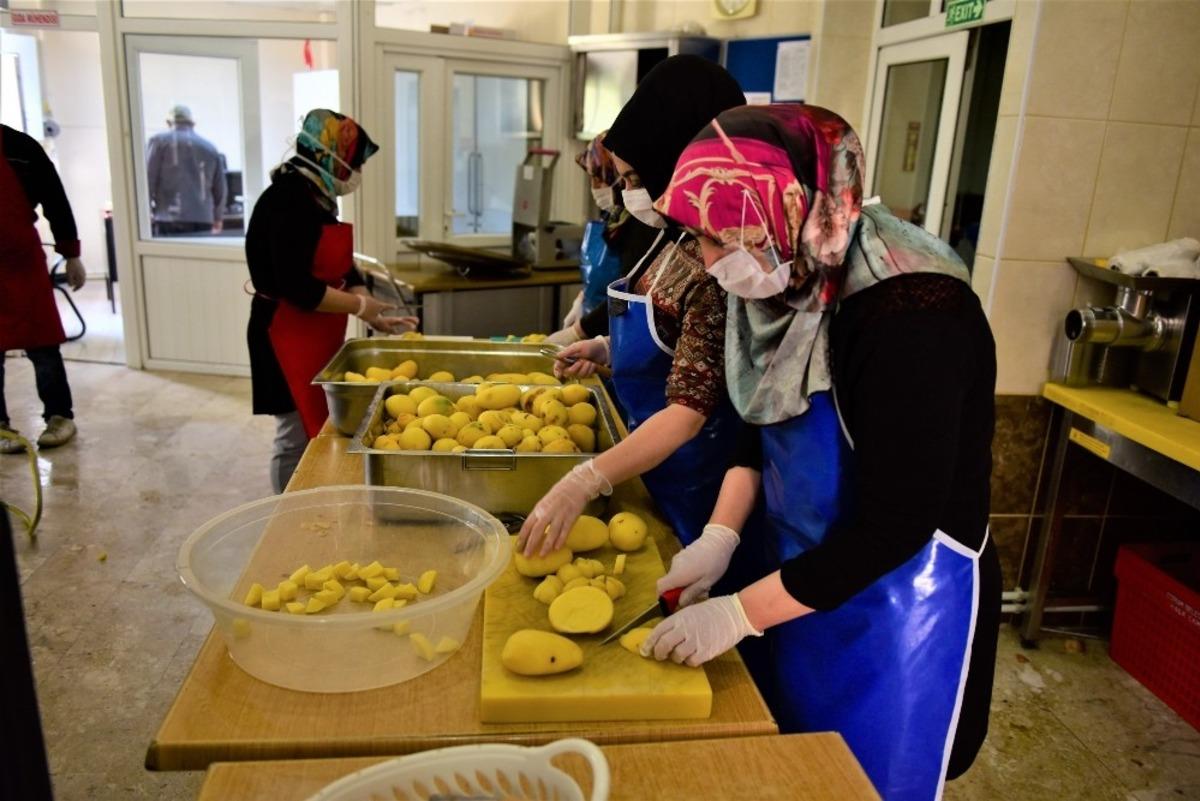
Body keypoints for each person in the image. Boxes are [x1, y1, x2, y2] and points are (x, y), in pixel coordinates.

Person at [637, 104, 1001, 801]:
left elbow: (899, 521)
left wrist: (739, 613)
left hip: (898, 605)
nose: (711, 263)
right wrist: (719, 535)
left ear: (796, 207)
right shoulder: (784, 266)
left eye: (722, 238)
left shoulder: (913, 312)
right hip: (807, 584)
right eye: (701, 238)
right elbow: (761, 416)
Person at [518, 55, 746, 556]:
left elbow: (689, 409)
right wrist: (605, 347)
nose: (627, 193)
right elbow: (665, 325)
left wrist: (586, 479)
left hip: (694, 481)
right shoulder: (676, 235)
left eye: (634, 178)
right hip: (643, 459)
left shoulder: (724, 261)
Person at [246, 109, 416, 493]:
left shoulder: (317, 196)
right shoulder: (286, 202)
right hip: (283, 333)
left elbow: (336, 264)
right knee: (293, 433)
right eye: (355, 163)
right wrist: (358, 308)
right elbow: (297, 286)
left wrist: (364, 298)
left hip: (316, 333)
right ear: (331, 155)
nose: (357, 174)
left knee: (315, 428)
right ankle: (285, 512)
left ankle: (310, 495)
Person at [0, 124, 86, 453]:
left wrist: (72, 255)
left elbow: (55, 200)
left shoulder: (19, 148)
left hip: (21, 263)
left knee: (43, 345)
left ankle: (60, 415)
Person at [146, 105, 227, 236]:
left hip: (168, 218)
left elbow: (148, 180)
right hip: (203, 219)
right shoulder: (209, 147)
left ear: (168, 122)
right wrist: (218, 217)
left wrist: (145, 212)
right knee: (198, 256)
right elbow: (220, 188)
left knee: (169, 256)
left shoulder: (158, 142)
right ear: (193, 123)